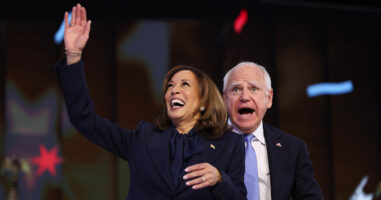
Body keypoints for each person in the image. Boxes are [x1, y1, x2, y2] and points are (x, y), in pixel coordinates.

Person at [55, 4, 246, 200]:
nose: (174, 90)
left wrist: (220, 179)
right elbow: (84, 119)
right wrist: (73, 56)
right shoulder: (144, 138)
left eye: (184, 84)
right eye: (170, 86)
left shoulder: (230, 144)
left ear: (203, 101)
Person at [222, 61, 324, 200]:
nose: (244, 97)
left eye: (254, 89)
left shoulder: (293, 148)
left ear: (269, 98)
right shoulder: (203, 142)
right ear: (224, 99)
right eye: (236, 89)